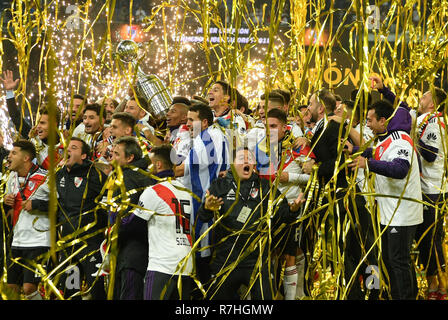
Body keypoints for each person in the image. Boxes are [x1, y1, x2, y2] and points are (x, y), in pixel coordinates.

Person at [197, 147, 305, 300]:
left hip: (257, 261)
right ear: (232, 164)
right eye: (241, 158)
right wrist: (207, 208)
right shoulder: (220, 185)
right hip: (226, 259)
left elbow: (283, 216)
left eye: (250, 159)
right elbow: (203, 217)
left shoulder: (266, 187)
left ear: (254, 165)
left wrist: (293, 210)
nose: (246, 161)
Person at [298, 88, 373, 300]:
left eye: (311, 105)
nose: (308, 109)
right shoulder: (324, 128)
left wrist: (316, 168)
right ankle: (356, 293)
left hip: (346, 199)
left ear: (321, 108)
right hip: (336, 198)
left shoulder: (334, 127)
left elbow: (342, 161)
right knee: (346, 252)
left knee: (360, 252)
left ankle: (370, 293)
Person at [348, 99, 423, 300]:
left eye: (370, 120)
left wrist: (368, 164)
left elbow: (399, 169)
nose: (368, 125)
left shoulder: (401, 139)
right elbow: (377, 153)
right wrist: (354, 151)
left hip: (403, 214)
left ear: (383, 121)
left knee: (398, 262)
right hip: (390, 213)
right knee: (395, 261)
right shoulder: (385, 140)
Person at [255, 108, 314, 300]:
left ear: (284, 127)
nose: (268, 130)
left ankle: (296, 294)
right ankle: (272, 294)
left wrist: (290, 177)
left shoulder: (297, 146)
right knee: (271, 253)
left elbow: (312, 177)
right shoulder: (260, 147)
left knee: (291, 253)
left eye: (273, 126)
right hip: (267, 208)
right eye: (266, 126)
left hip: (292, 207)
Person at [175, 101, 229, 295]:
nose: (187, 123)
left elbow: (179, 170)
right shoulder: (214, 135)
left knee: (201, 258)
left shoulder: (205, 139)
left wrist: (151, 172)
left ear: (204, 122)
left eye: (191, 119)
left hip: (205, 205)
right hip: (211, 203)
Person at [133, 144, 194, 300]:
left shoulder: (154, 191)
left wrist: (117, 218)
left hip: (162, 266)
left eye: (150, 162)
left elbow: (132, 225)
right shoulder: (186, 191)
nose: (148, 167)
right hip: (186, 265)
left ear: (158, 164)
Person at [56, 137, 108, 300]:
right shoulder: (59, 175)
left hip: (91, 242)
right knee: (70, 290)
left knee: (96, 289)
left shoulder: (95, 175)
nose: (68, 150)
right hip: (68, 245)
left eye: (74, 148)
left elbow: (107, 201)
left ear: (84, 155)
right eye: (67, 148)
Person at [107, 136, 153, 300]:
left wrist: (113, 238)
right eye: (112, 153)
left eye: (117, 154)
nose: (112, 157)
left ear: (130, 158)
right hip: (143, 250)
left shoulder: (127, 178)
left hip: (131, 253)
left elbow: (128, 219)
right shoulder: (145, 176)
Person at [3, 140, 50, 300]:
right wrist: (6, 202)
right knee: (11, 289)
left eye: (13, 153)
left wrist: (36, 204)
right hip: (17, 240)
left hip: (39, 241)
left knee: (29, 288)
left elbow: (60, 205)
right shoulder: (11, 178)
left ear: (26, 158)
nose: (9, 156)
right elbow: (10, 211)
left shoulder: (45, 177)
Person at [414, 86, 448, 300]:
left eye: (424, 95)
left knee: (430, 239)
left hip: (432, 191)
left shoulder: (434, 122)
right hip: (430, 189)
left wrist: (412, 139)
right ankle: (436, 284)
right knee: (430, 239)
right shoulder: (425, 120)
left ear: (432, 103)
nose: (420, 97)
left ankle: (438, 285)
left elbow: (430, 155)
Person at [1, 70, 64, 170]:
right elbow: (16, 117)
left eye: (42, 123)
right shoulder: (34, 140)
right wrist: (9, 92)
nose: (38, 126)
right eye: (38, 122)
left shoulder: (65, 148)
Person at [164, 96, 191, 165]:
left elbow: (179, 160)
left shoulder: (185, 132)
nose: (167, 114)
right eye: (168, 111)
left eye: (173, 112)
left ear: (184, 117)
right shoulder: (174, 132)